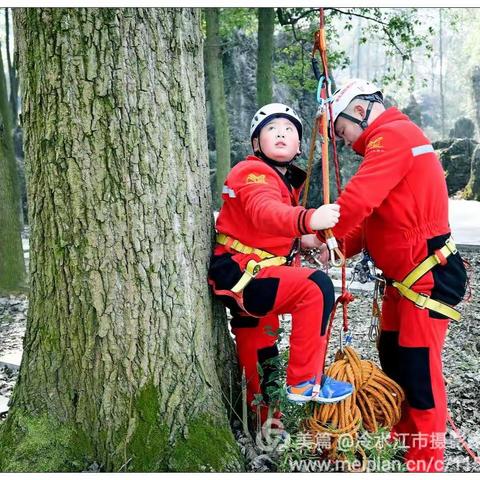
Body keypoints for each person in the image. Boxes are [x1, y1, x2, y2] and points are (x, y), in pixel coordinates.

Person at [325, 78, 467, 472]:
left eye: (342, 131)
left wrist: (321, 231)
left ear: (359, 111)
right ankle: (406, 441)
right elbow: (370, 220)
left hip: (427, 276)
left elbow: (358, 200)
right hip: (404, 282)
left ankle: (425, 461)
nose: (345, 141)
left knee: (420, 373)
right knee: (395, 359)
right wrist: (331, 246)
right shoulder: (390, 142)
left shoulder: (393, 135)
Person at [208, 103, 353, 425]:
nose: (282, 134)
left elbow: (262, 228)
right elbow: (265, 212)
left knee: (260, 349)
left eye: (289, 130)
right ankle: (305, 379)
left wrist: (307, 240)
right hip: (246, 273)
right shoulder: (252, 172)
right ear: (256, 144)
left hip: (251, 272)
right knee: (315, 287)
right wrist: (308, 218)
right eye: (272, 129)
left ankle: (264, 421)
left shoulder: (281, 180)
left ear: (300, 145)